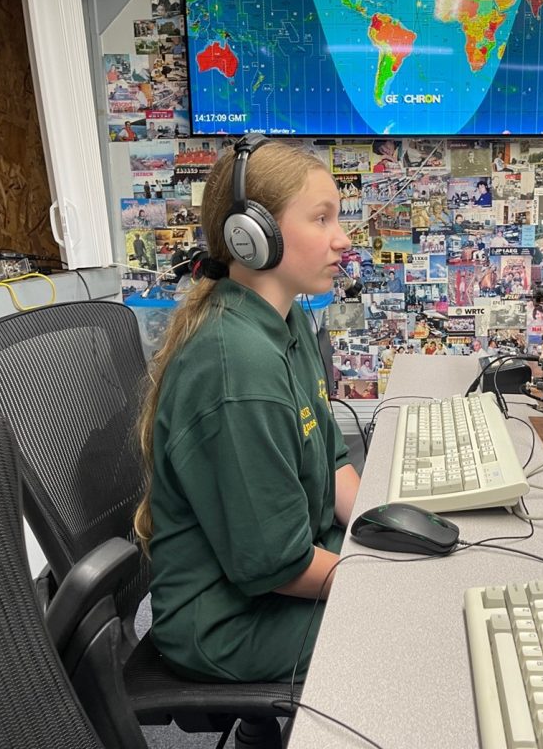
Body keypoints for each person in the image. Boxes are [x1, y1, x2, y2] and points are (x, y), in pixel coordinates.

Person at [133, 138, 361, 683]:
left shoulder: (288, 322)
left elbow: (332, 463)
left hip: (283, 571)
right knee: (412, 628)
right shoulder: (236, 368)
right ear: (252, 236)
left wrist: (391, 535)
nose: (343, 240)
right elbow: (275, 565)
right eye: (322, 218)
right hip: (228, 621)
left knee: (423, 599)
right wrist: (388, 585)